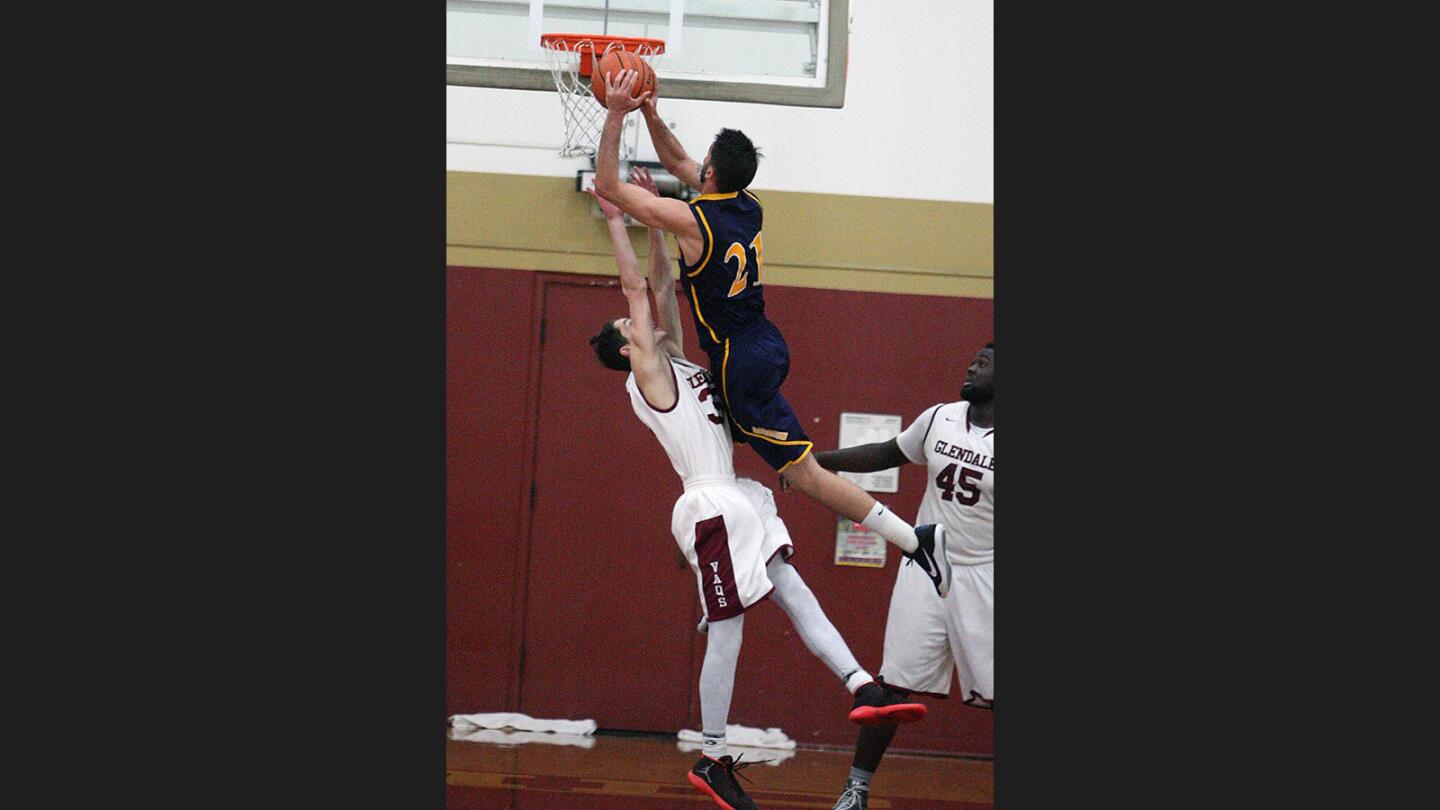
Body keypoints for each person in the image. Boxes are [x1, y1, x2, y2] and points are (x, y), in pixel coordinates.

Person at [587, 170, 929, 810]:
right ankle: (712, 754)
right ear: (627, 352)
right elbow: (636, 286)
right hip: (708, 506)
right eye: (629, 326)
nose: (642, 321)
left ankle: (864, 688)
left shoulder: (680, 365)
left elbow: (660, 284)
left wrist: (658, 225)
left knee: (795, 592)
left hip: (739, 501)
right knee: (729, 630)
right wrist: (617, 218)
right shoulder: (649, 379)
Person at [591, 68, 954, 601]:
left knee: (803, 474)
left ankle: (912, 539)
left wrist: (618, 111)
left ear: (709, 172)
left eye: (703, 162)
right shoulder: (746, 204)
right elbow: (674, 162)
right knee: (749, 438)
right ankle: (895, 532)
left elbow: (606, 186)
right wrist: (650, 110)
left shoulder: (696, 222)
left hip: (740, 360)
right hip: (763, 341)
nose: (696, 166)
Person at [812, 343, 995, 810]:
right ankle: (856, 790)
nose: (972, 365)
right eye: (973, 357)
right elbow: (884, 453)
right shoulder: (939, 418)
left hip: (986, 573)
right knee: (890, 687)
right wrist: (816, 464)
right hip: (927, 564)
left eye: (986, 362)